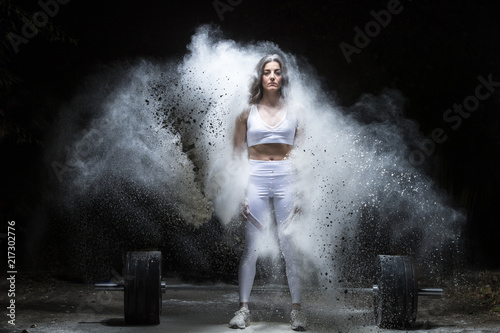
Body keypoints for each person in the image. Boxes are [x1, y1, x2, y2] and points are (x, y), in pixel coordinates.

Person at [229, 54, 307, 331]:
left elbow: (303, 156)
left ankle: (297, 311)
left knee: (290, 247)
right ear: (259, 77)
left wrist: (299, 194)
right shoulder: (245, 113)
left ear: (283, 76)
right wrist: (242, 195)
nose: (272, 76)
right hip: (256, 180)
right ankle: (243, 310)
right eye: (267, 72)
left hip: (287, 179)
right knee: (250, 247)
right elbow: (237, 157)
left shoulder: (296, 109)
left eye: (277, 71)